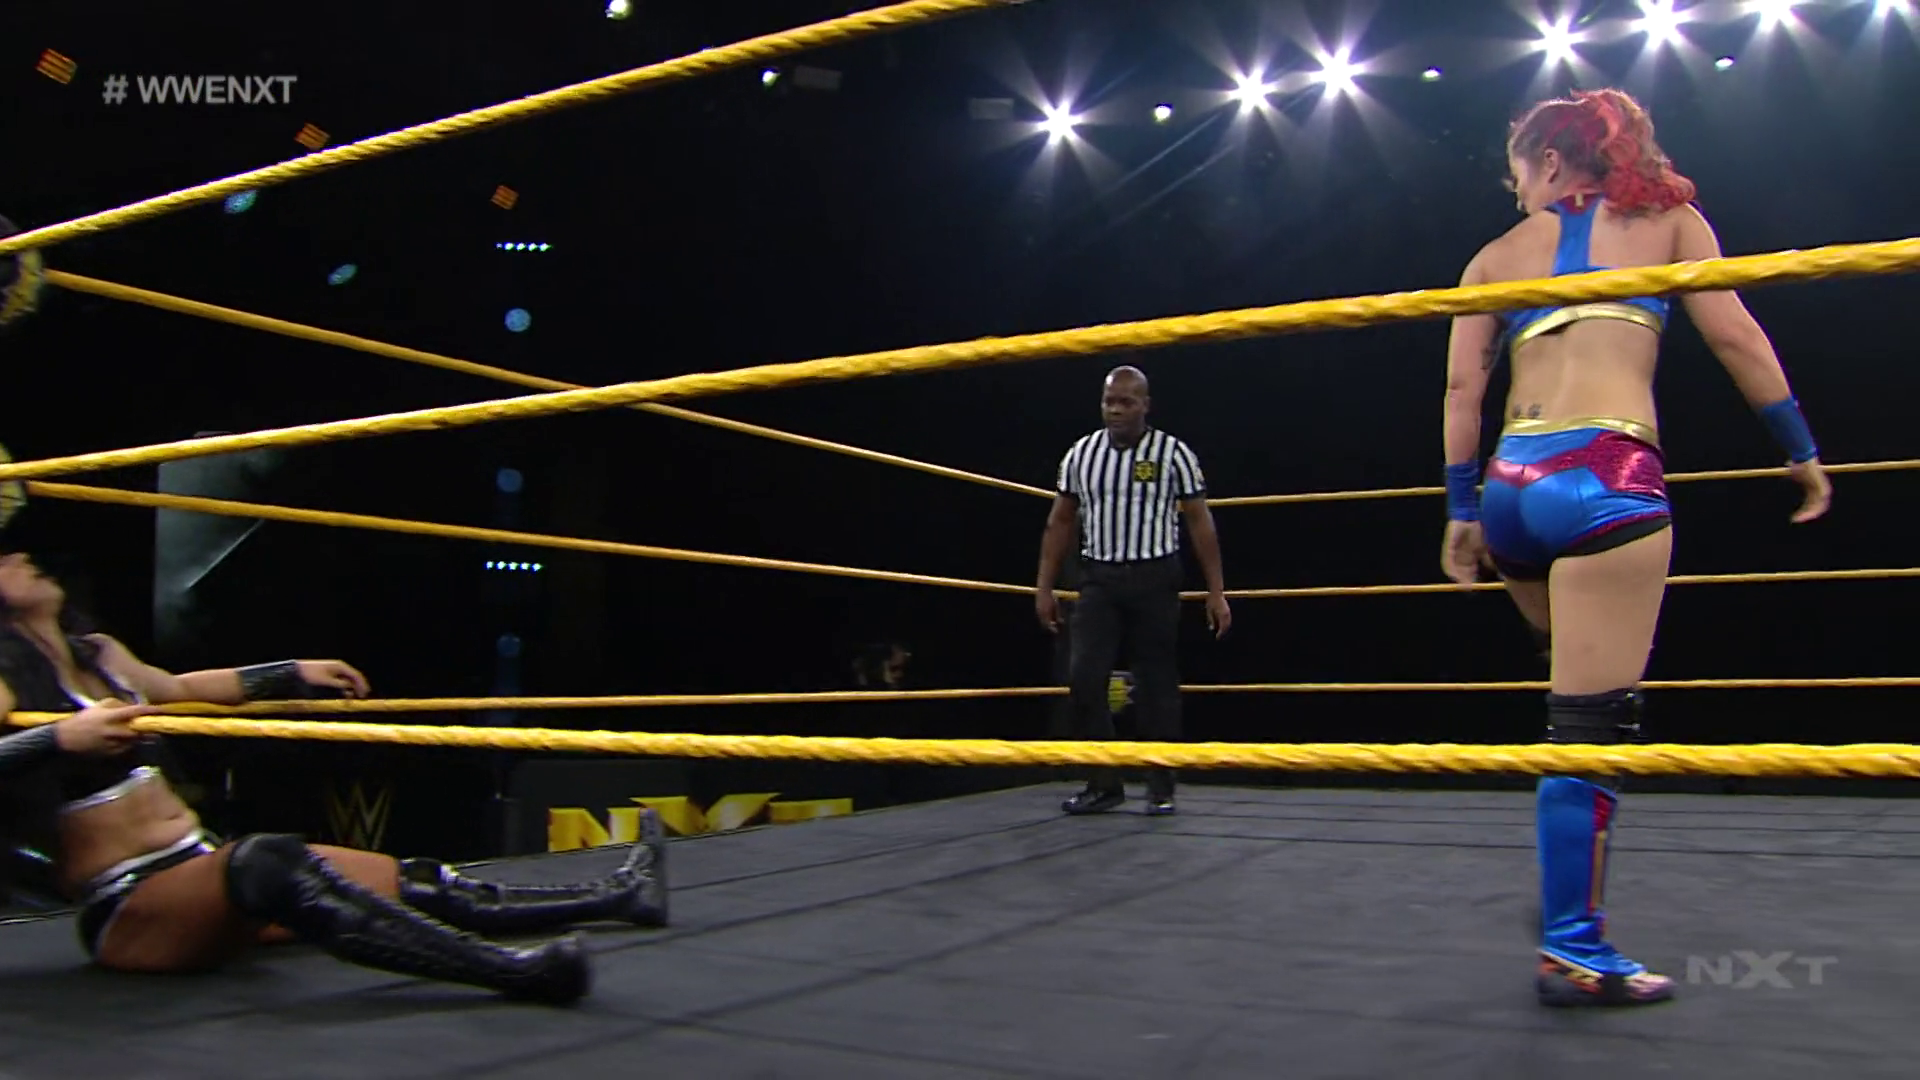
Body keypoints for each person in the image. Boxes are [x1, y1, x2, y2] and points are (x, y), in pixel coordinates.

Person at [1437, 89, 1831, 1008]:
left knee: (1575, 683)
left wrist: (1461, 510)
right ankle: (1574, 946)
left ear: (1547, 161)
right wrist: (1800, 449)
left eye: (1515, 169)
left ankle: (1570, 884)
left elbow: (1462, 391)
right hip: (1604, 472)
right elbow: (1735, 336)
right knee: (1590, 722)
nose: (1513, 188)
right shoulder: (1669, 224)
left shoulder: (1492, 258)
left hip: (1511, 485)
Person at [0, 547, 669, 1005]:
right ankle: (516, 972)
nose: (21, 556)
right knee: (267, 860)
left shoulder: (99, 655)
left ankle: (616, 894)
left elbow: (177, 689)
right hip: (134, 909)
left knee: (414, 880)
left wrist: (288, 672)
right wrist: (61, 736)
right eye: (3, 558)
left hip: (194, 868)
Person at [1036, 364, 1230, 816]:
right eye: (1109, 401)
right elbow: (1059, 521)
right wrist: (1043, 587)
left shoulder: (1173, 453)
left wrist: (1216, 590)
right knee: (1084, 678)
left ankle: (1160, 786)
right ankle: (1104, 783)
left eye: (1126, 402)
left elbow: (1200, 522)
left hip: (1154, 577)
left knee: (1156, 682)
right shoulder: (1081, 454)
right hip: (1099, 579)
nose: (1116, 410)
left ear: (1145, 405)